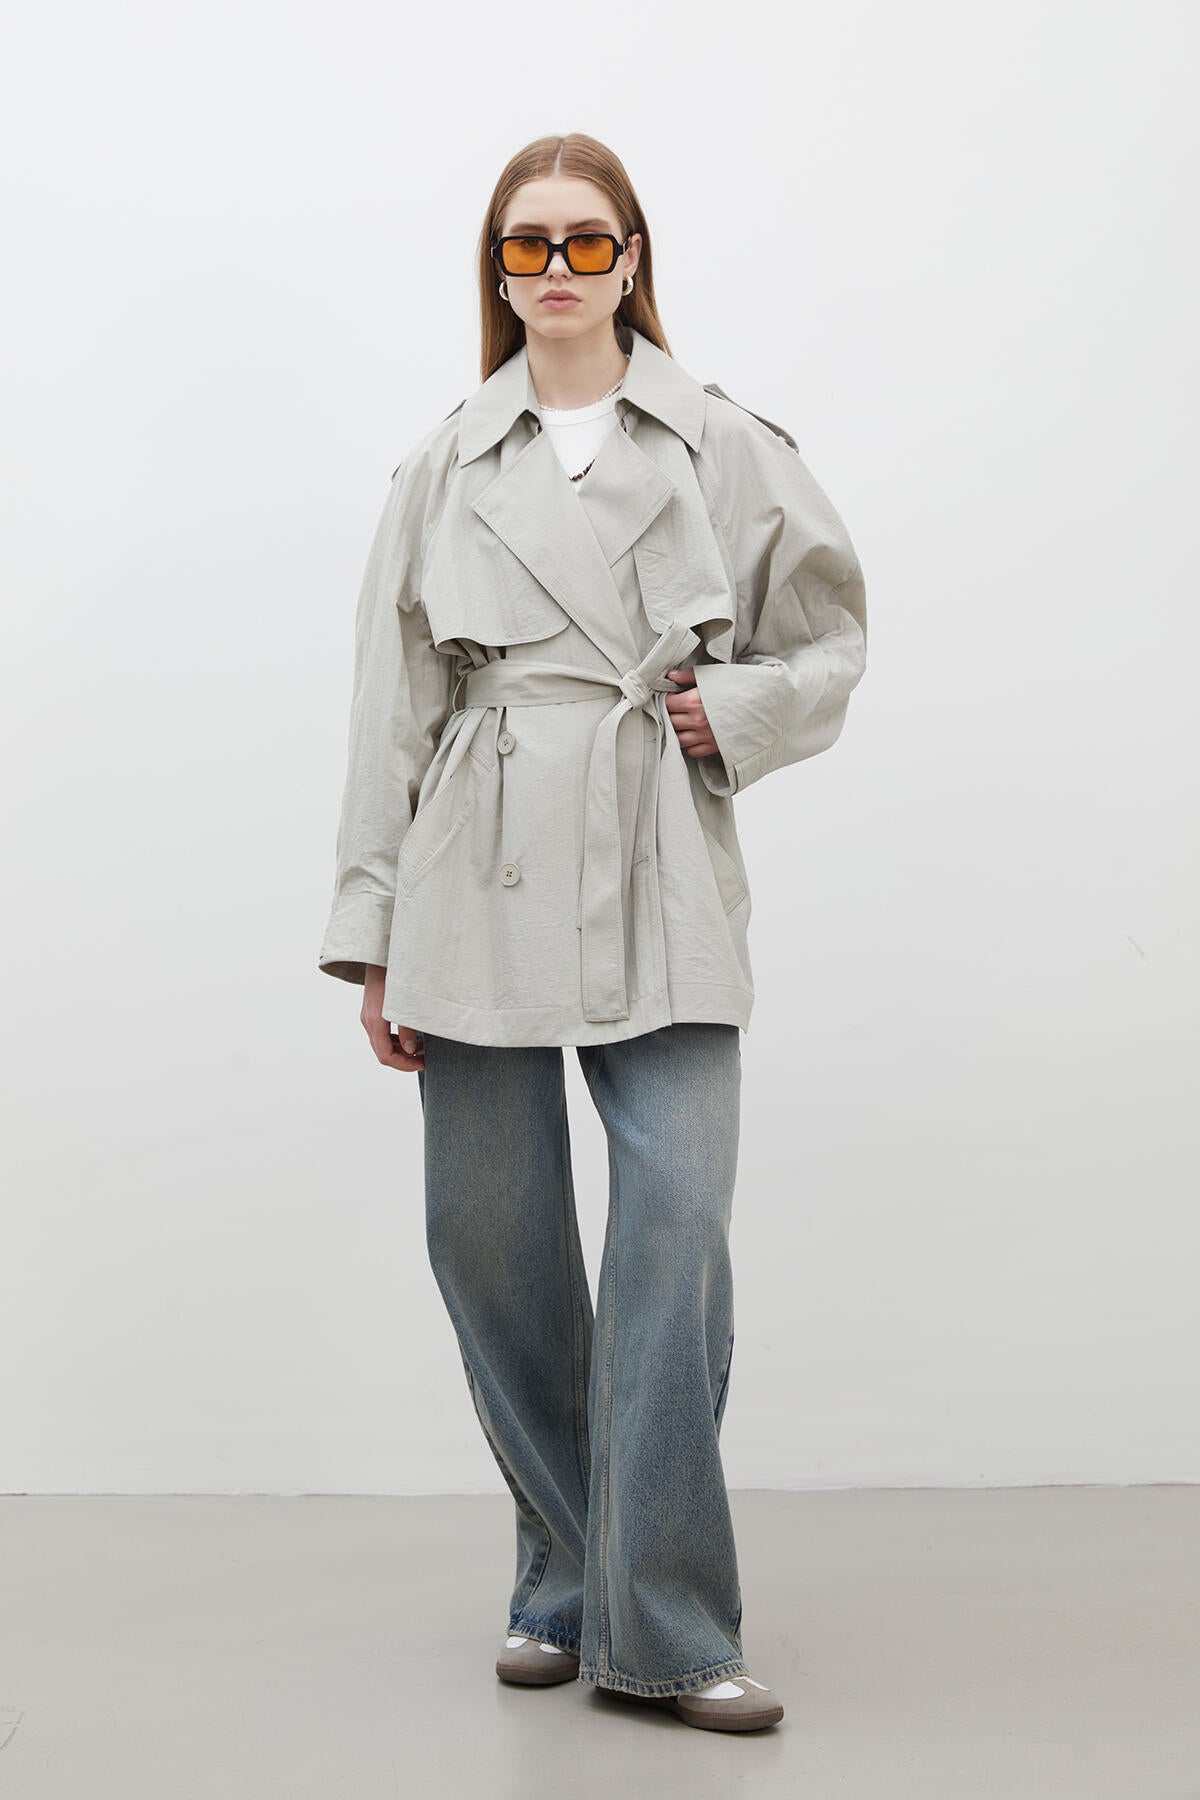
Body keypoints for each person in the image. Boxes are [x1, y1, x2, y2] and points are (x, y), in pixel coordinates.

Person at [318, 132, 868, 1734]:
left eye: (585, 240)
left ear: (632, 258)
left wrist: (733, 712)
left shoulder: (721, 441)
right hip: (469, 858)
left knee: (675, 1235)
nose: (555, 268)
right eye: (527, 243)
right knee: (491, 1245)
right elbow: (388, 703)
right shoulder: (444, 463)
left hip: (657, 841)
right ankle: (564, 1578)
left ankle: (673, 1628)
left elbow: (830, 633)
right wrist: (372, 933)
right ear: (498, 270)